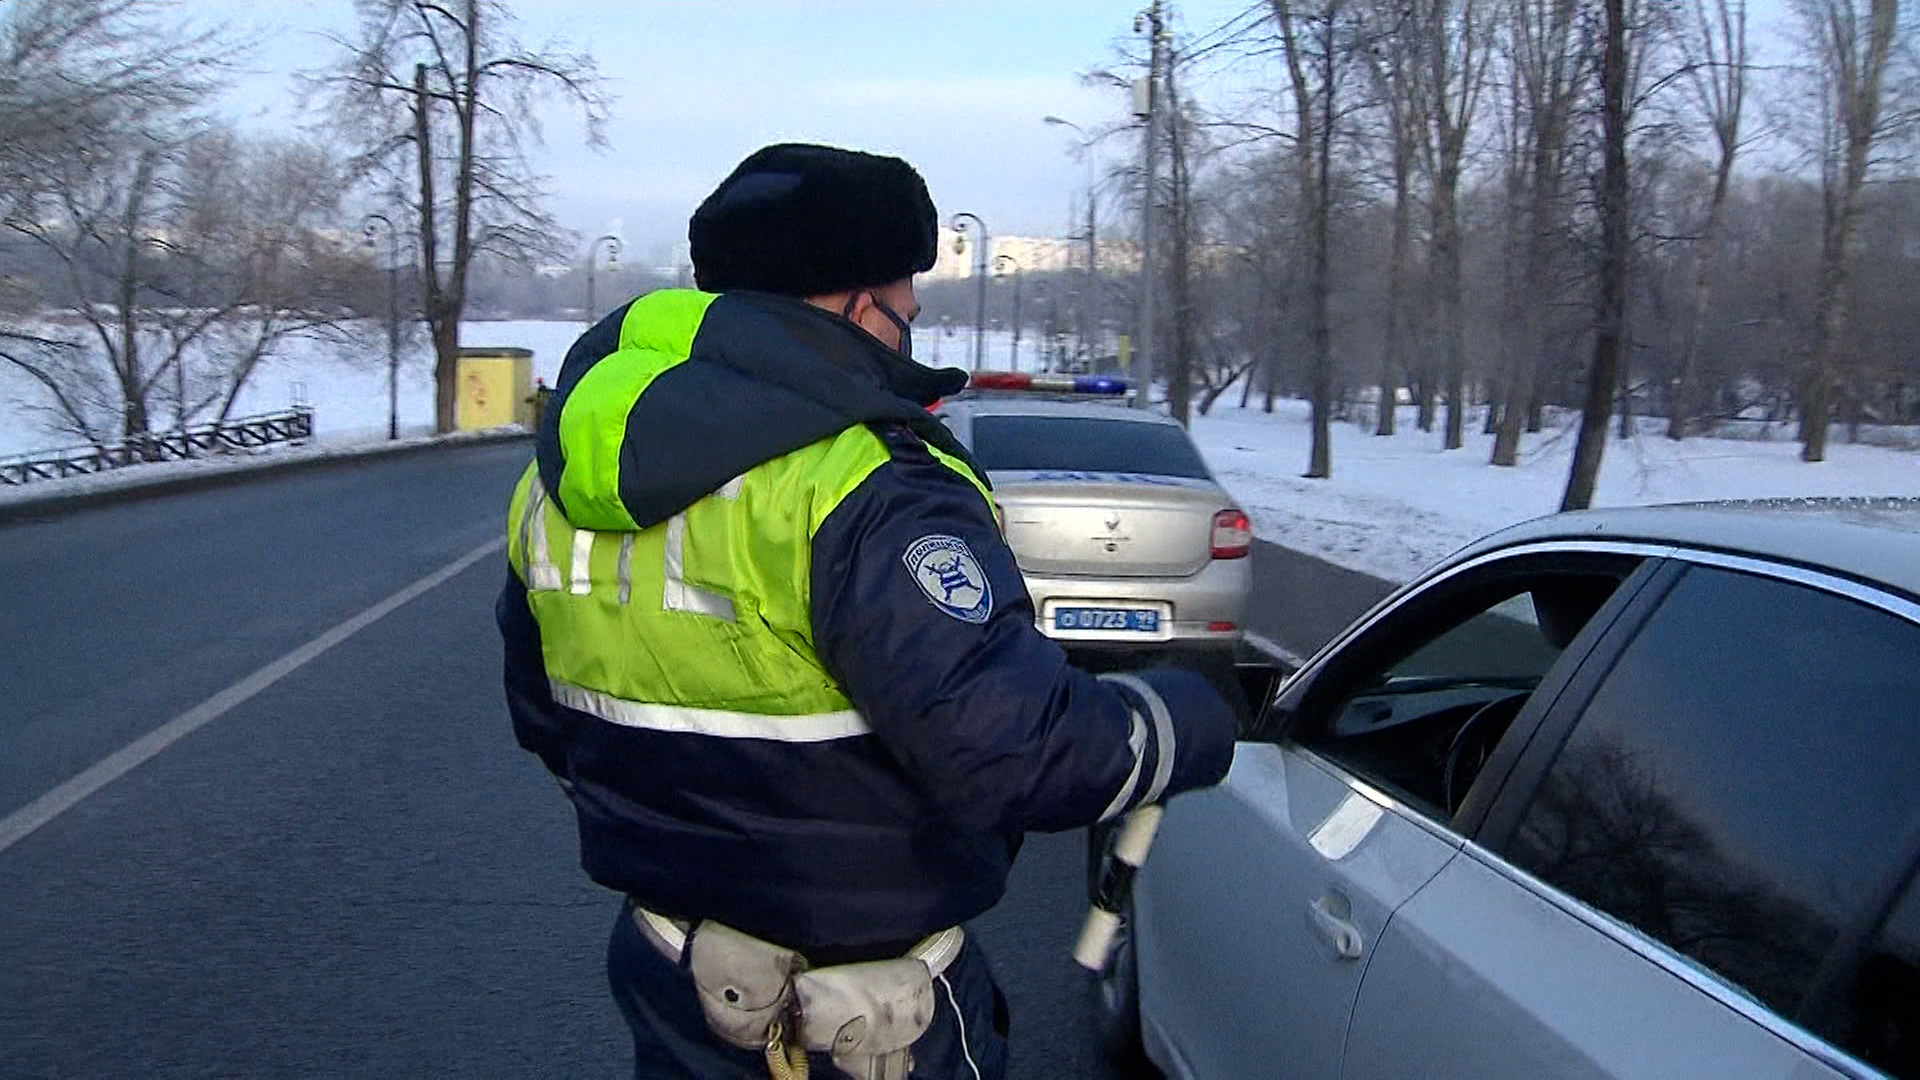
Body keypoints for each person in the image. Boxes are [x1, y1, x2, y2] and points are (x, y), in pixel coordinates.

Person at [497, 143, 1238, 1079]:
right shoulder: (865, 484)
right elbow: (1011, 750)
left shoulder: (553, 481)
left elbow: (545, 716)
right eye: (906, 312)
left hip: (672, 971)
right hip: (867, 1015)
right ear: (855, 306)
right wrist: (1179, 719)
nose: (908, 337)